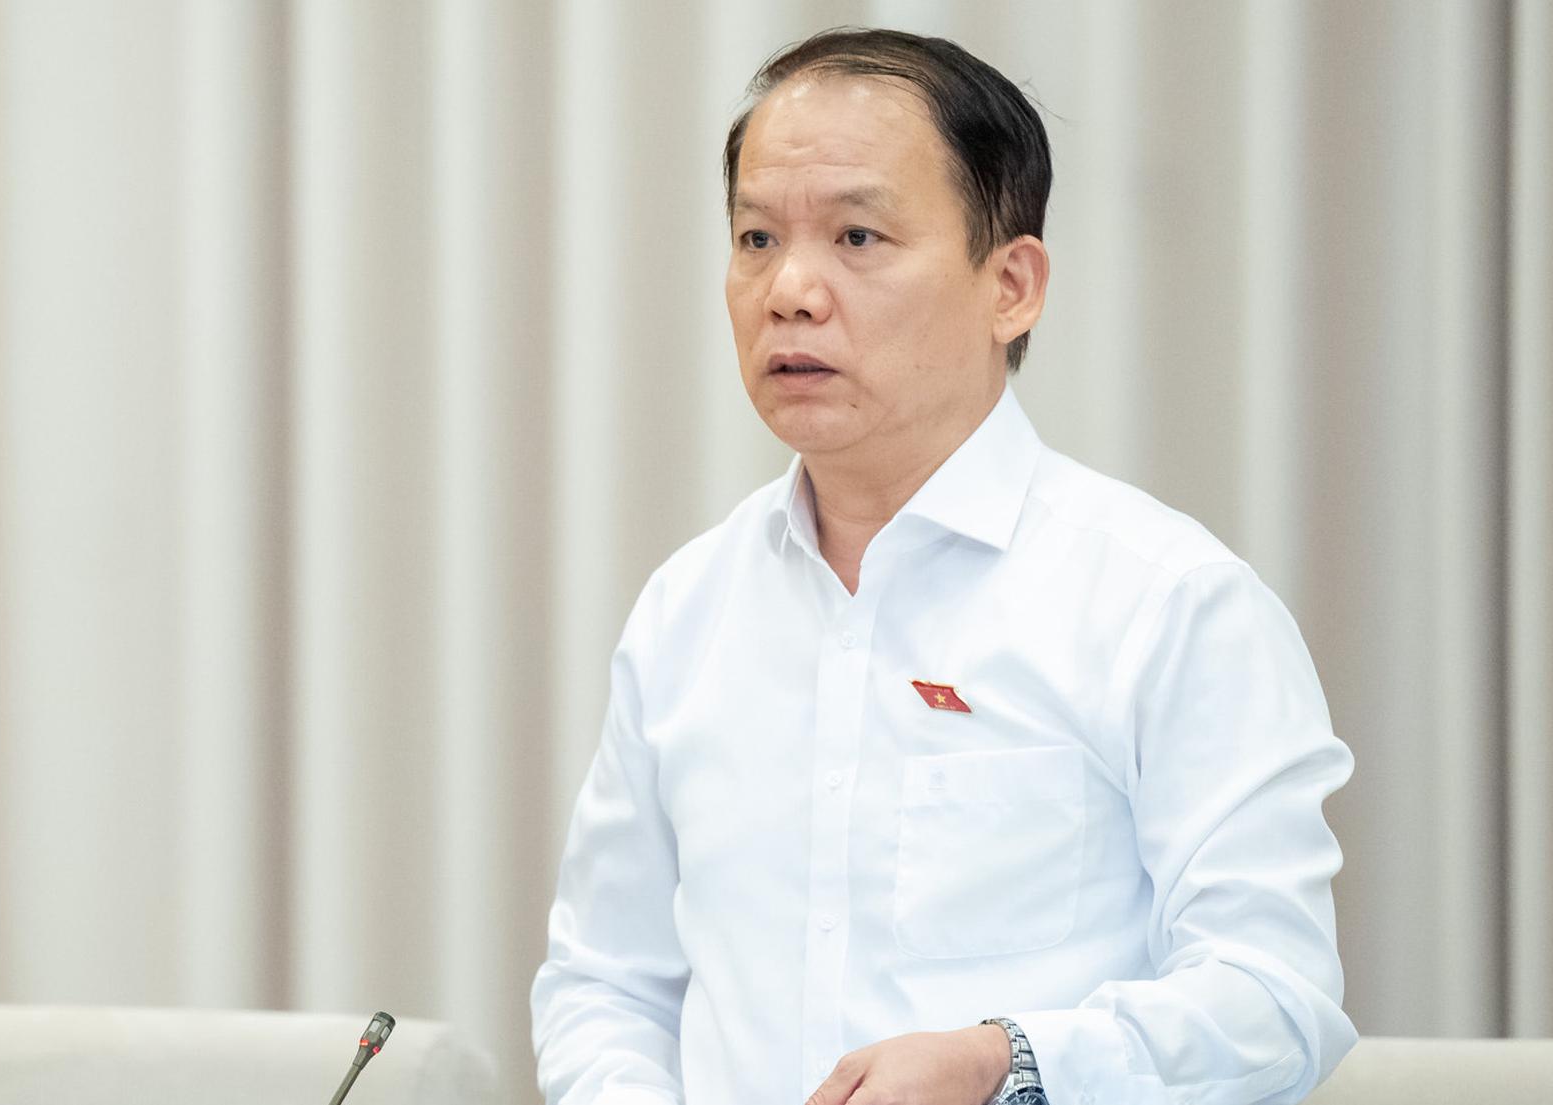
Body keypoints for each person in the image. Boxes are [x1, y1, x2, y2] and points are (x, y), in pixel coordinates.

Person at [531, 27, 1355, 1105]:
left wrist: (1005, 1062)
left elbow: (1274, 1000)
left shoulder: (1165, 601)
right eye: (756, 238)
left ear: (1010, 284)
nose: (789, 290)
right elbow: (606, 982)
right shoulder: (689, 609)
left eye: (857, 236)